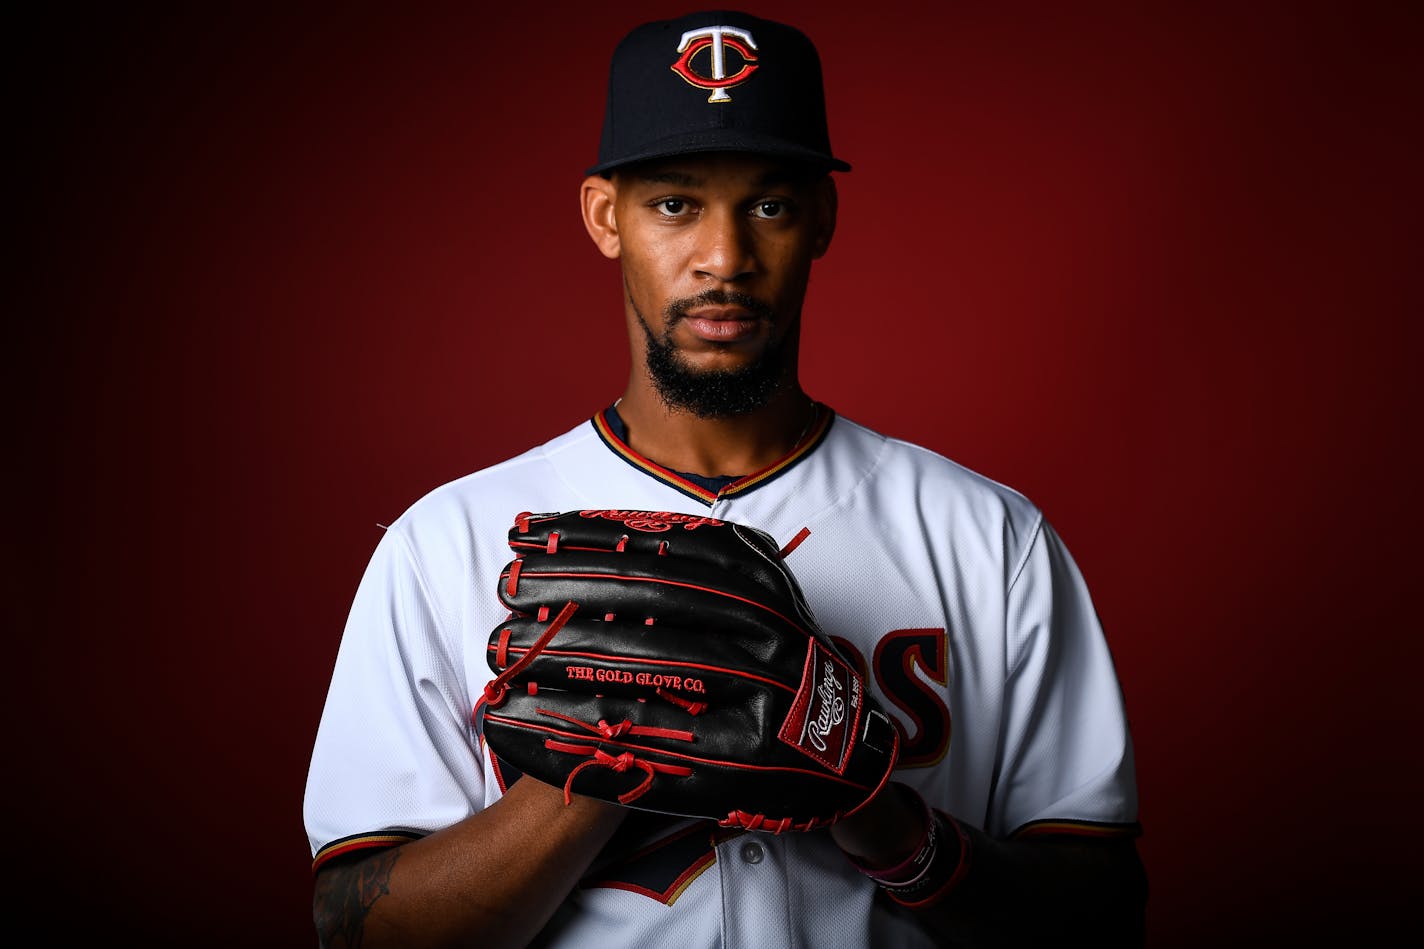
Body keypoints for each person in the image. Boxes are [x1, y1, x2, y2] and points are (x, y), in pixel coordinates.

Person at [303, 10, 1146, 948]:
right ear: (603, 217)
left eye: (770, 205)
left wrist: (878, 812)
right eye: (674, 203)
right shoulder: (447, 542)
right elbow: (358, 928)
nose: (725, 257)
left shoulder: (989, 537)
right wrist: (611, 753)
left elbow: (1101, 916)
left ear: (821, 219)